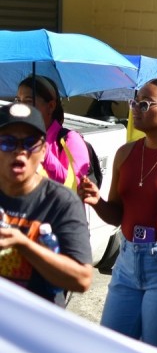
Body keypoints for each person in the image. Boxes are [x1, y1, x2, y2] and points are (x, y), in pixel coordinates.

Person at [78, 78, 157, 353]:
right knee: (112, 350)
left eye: (145, 104)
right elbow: (116, 216)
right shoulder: (125, 153)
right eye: (134, 102)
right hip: (127, 263)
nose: (135, 109)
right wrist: (96, 201)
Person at [0, 103, 92, 305]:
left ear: (43, 151)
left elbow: (83, 279)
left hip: (35, 318)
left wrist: (24, 244)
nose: (20, 152)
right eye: (7, 142)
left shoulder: (61, 201)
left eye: (30, 143)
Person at [16, 76, 90, 188]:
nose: (21, 107)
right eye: (18, 101)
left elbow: (74, 186)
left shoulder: (70, 139)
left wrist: (43, 152)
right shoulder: (15, 139)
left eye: (28, 101)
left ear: (50, 106)